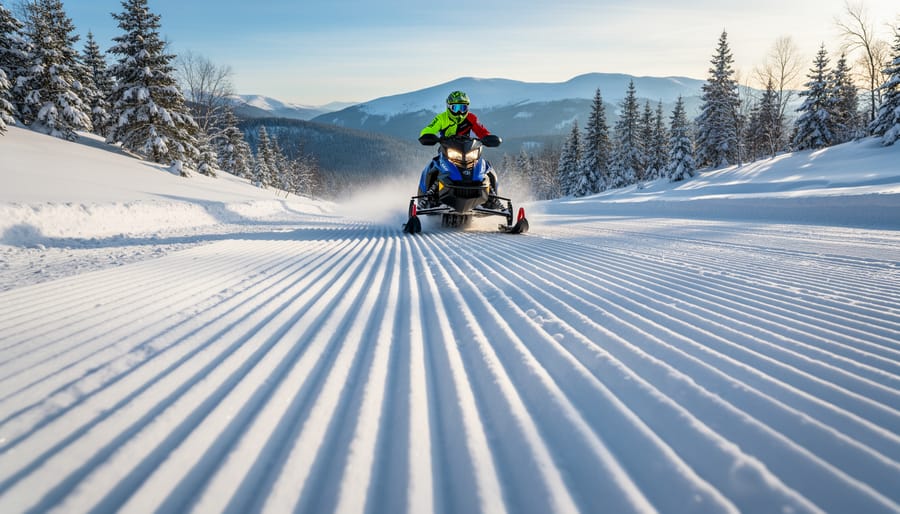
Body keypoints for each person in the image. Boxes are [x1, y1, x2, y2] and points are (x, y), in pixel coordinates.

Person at [416, 90, 501, 209]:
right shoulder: (442, 118)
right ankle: (427, 198)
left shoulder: (471, 118)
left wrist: (487, 138)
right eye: (456, 108)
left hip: (467, 150)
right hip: (447, 151)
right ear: (449, 107)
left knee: (485, 167)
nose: (460, 112)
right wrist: (429, 136)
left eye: (463, 107)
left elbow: (482, 131)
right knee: (434, 166)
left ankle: (493, 199)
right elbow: (429, 129)